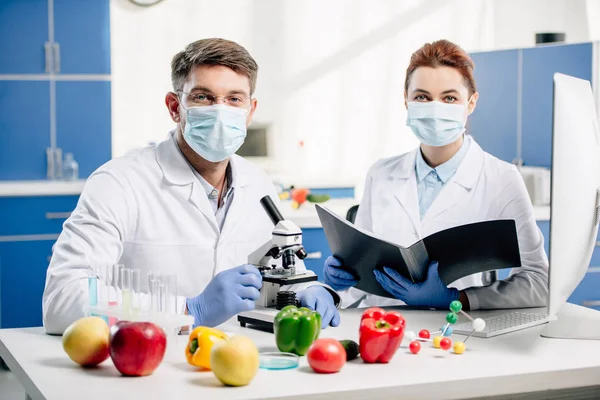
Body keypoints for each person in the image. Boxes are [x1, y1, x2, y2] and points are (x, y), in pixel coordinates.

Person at [42, 38, 340, 334]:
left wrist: (308, 291)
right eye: (203, 97)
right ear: (175, 107)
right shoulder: (119, 183)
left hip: (240, 364)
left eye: (234, 99)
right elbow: (62, 300)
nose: (220, 111)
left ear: (250, 111)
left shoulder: (258, 183)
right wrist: (187, 310)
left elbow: (281, 270)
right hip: (147, 367)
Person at [323, 39, 548, 311]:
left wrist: (458, 298)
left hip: (458, 336)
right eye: (422, 97)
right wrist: (339, 284)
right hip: (381, 332)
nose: (435, 108)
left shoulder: (501, 179)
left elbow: (539, 282)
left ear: (471, 103)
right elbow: (361, 282)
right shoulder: (380, 174)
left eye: (449, 98)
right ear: (406, 101)